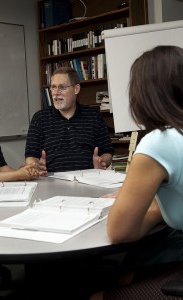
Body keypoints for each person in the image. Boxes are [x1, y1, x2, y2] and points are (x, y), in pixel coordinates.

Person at [90, 45, 183, 299]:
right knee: (129, 273)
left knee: (98, 295)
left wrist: (153, 209)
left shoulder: (160, 141)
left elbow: (119, 231)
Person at [25, 66, 114, 172]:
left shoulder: (93, 116)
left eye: (62, 87)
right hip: (52, 181)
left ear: (76, 89)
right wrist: (36, 165)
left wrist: (101, 161)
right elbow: (30, 155)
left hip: (88, 179)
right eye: (53, 87)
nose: (56, 93)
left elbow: (107, 152)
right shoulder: (39, 118)